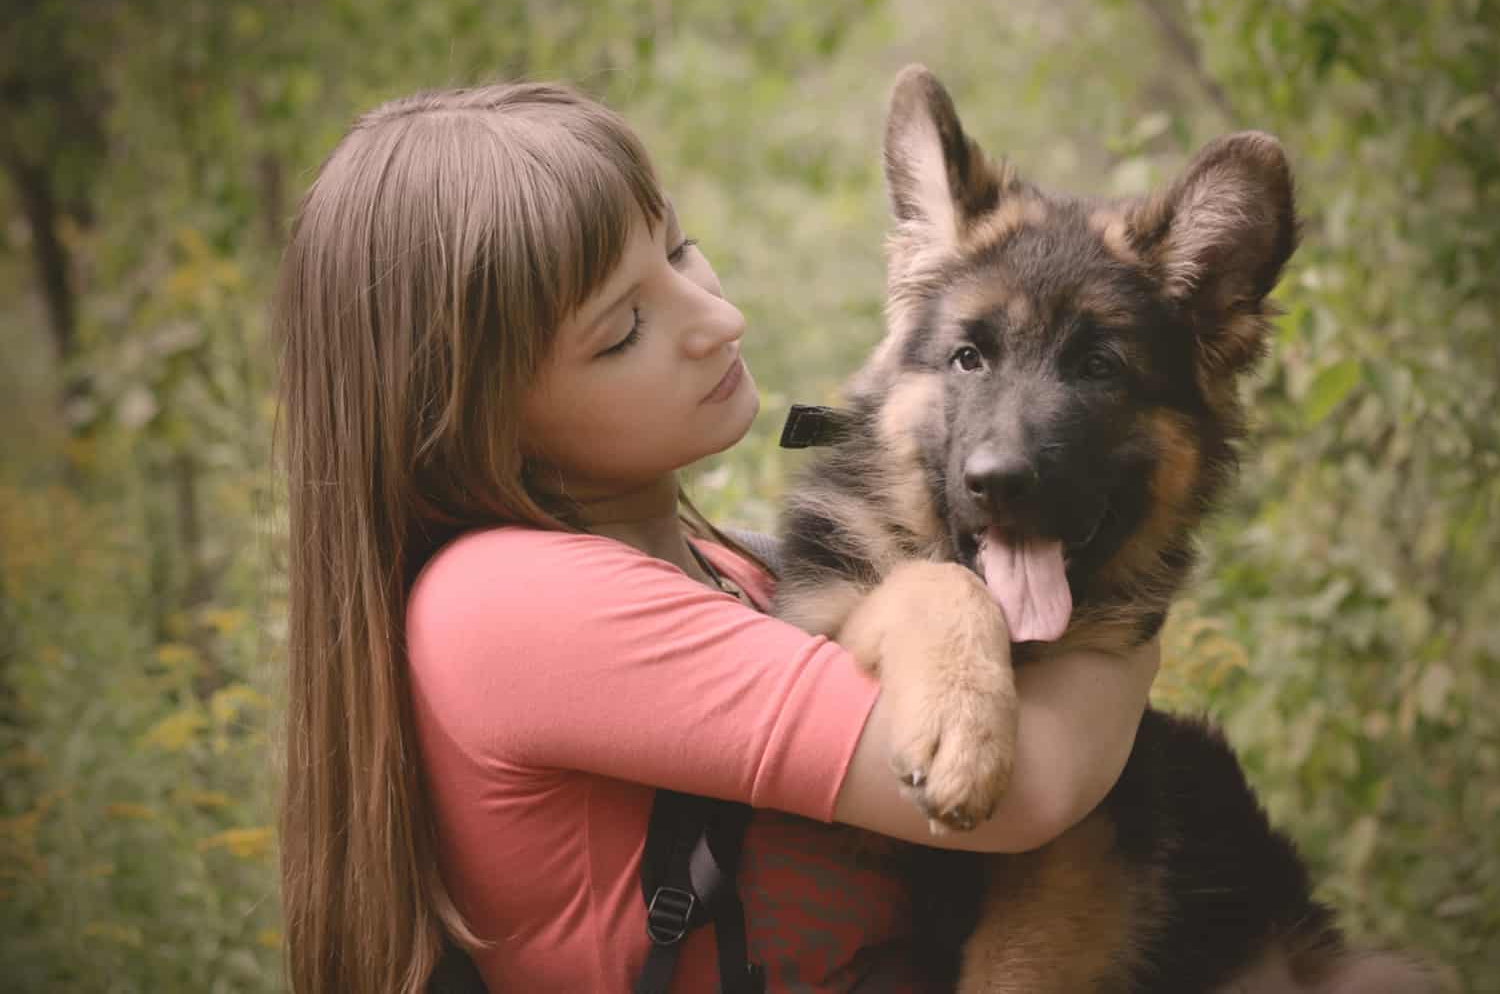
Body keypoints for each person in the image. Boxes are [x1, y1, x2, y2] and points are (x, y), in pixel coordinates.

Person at [271, 82, 1159, 994]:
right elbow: (1029, 790)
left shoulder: (730, 566)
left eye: (680, 252)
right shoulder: (504, 604)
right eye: (624, 329)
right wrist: (1137, 594)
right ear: (468, 416)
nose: (718, 320)